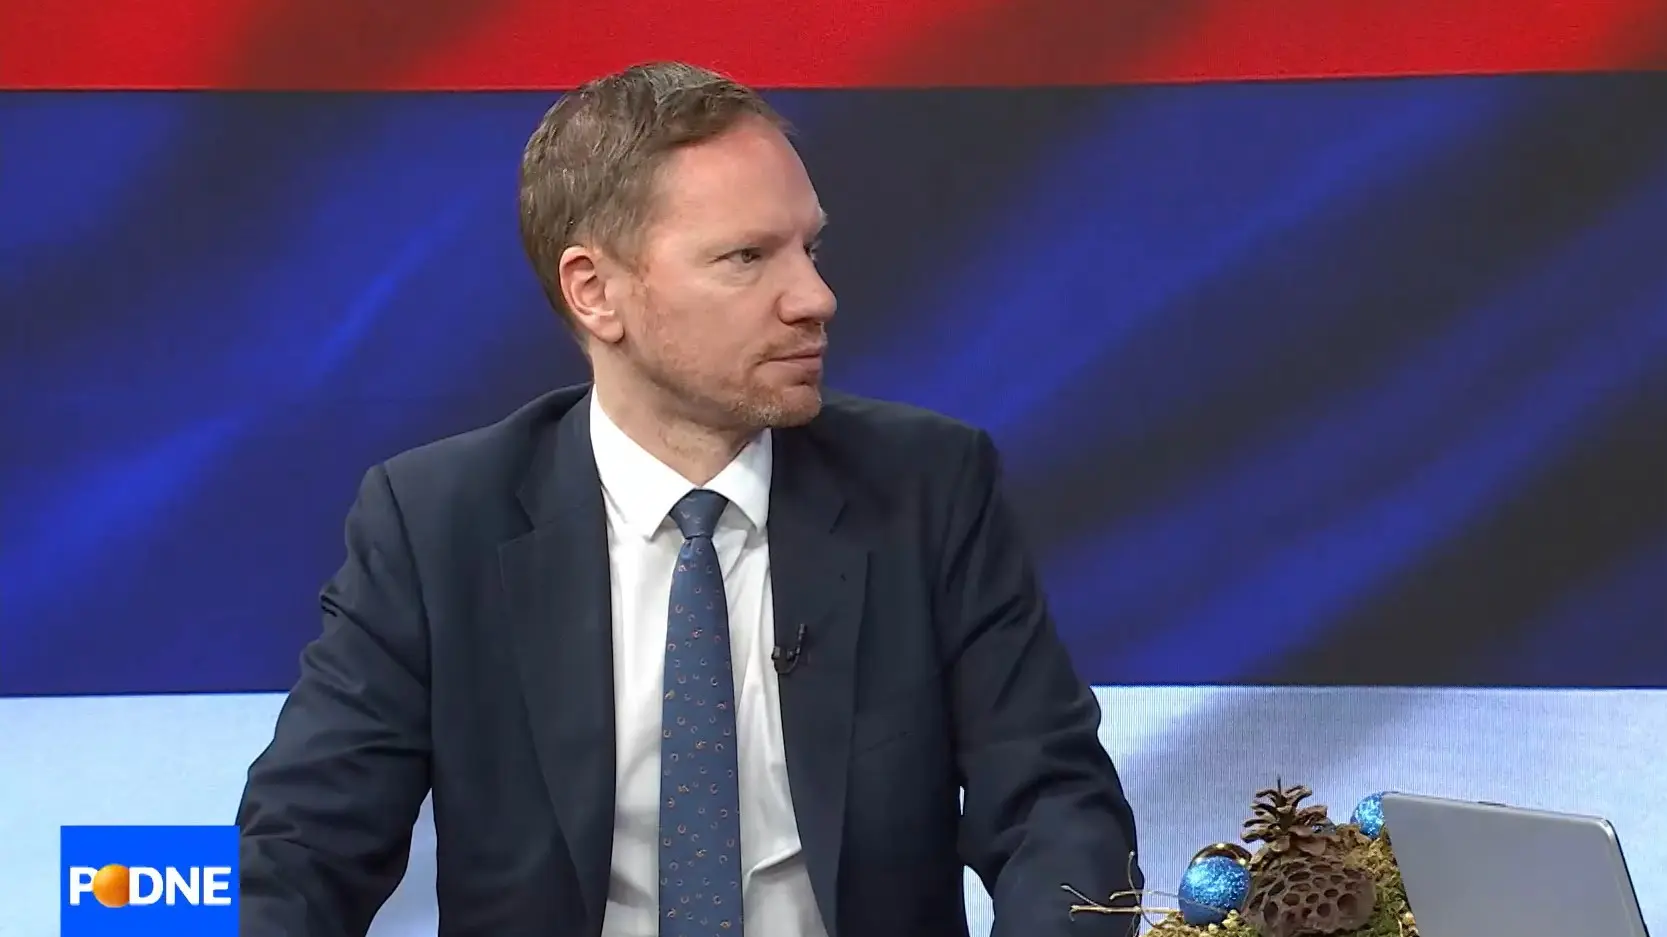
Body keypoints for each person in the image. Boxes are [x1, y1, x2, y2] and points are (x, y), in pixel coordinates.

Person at [237, 61, 1142, 937]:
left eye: (809, 248)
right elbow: (298, 845)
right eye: (746, 257)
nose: (815, 298)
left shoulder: (927, 489)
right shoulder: (437, 521)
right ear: (595, 291)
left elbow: (1056, 806)